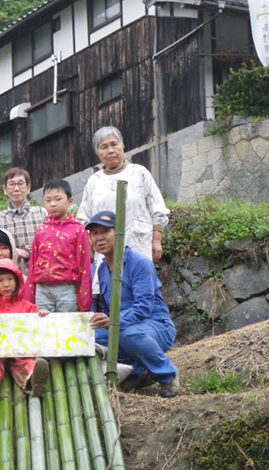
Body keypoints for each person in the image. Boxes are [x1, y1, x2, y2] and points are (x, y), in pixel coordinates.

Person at [85, 211, 180, 398]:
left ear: (118, 233)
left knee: (128, 334)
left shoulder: (139, 262)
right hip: (120, 327)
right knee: (88, 339)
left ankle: (168, 374)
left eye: (105, 231)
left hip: (155, 326)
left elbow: (144, 306)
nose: (100, 238)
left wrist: (113, 321)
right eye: (95, 233)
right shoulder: (102, 269)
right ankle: (138, 372)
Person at [76, 126, 170, 263]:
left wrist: (156, 241)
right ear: (98, 153)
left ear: (122, 146)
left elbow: (158, 209)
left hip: (138, 245)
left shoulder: (139, 173)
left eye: (114, 144)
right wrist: (89, 247)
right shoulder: (94, 181)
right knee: (107, 283)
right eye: (104, 147)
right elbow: (83, 219)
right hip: (105, 256)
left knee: (139, 281)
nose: (110, 151)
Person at [0, 258, 50, 398]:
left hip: (21, 349)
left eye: (10, 279)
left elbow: (35, 321)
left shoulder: (26, 305)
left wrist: (41, 314)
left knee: (27, 363)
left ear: (18, 280)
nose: (6, 284)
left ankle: (34, 380)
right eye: (0, 280)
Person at [26, 179, 92, 313]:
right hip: (42, 289)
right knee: (44, 328)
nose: (53, 204)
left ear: (70, 201)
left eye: (58, 199)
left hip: (66, 288)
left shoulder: (78, 229)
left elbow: (84, 264)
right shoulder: (41, 230)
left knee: (66, 328)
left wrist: (84, 298)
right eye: (48, 200)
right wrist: (30, 295)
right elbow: (33, 262)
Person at [0, 168, 47, 273]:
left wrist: (29, 252)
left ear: (28, 188)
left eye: (21, 184)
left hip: (39, 274)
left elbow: (50, 245)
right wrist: (15, 252)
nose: (16, 189)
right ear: (5, 189)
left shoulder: (42, 214)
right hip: (10, 277)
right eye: (11, 184)